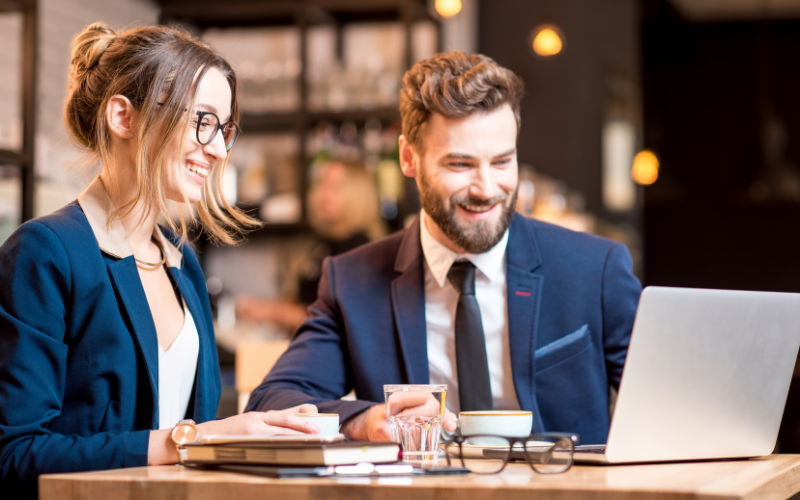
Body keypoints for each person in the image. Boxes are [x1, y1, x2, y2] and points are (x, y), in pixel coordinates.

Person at [246, 51, 642, 445]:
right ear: (408, 158)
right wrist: (362, 420)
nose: (486, 189)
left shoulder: (595, 269)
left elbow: (670, 410)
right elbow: (271, 403)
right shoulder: (351, 281)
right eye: (460, 165)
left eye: (502, 162)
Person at [0, 23, 319, 498]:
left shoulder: (181, 261)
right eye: (201, 121)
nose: (216, 149)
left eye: (224, 128)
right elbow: (15, 455)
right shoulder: (46, 252)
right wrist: (194, 440)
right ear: (123, 118)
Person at [236, 160, 385, 331]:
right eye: (322, 184)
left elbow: (331, 319)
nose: (325, 194)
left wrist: (270, 312)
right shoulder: (326, 245)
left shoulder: (360, 253)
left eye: (337, 187)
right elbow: (305, 299)